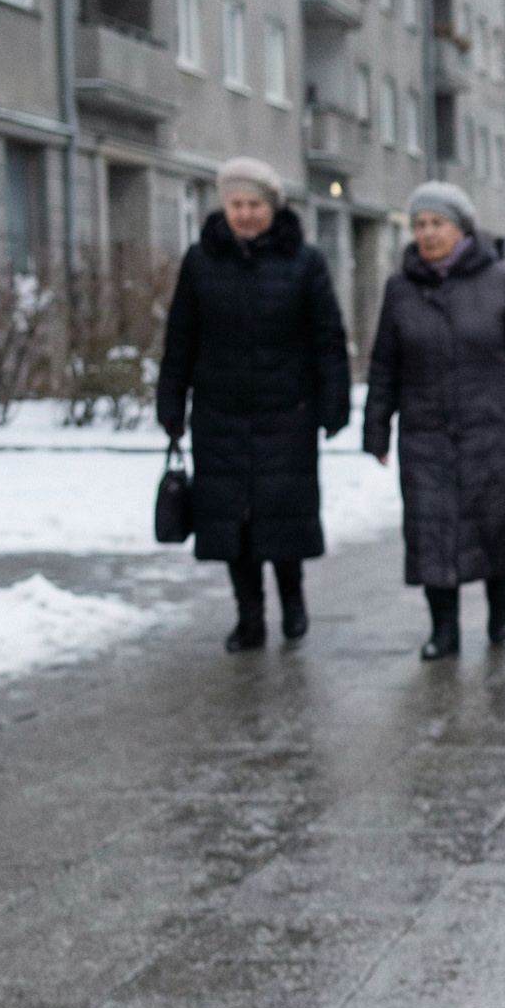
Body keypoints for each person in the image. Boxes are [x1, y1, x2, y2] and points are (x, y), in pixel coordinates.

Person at [156, 157, 351, 652]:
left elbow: (327, 337)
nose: (244, 214)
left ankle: (293, 601)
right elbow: (180, 339)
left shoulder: (304, 262)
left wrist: (334, 404)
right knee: (230, 521)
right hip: (220, 414)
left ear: (272, 207)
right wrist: (171, 404)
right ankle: (249, 617)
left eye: (254, 205)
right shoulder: (201, 262)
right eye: (236, 204)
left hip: (288, 412)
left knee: (281, 514)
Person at [362, 182, 505, 661]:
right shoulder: (400, 288)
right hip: (425, 434)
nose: (427, 233)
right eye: (419, 224)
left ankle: (498, 606)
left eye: (437, 223)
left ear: (461, 228)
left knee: (494, 524)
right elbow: (384, 364)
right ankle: (443, 629)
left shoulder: (502, 280)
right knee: (432, 530)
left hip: (492, 428)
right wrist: (376, 426)